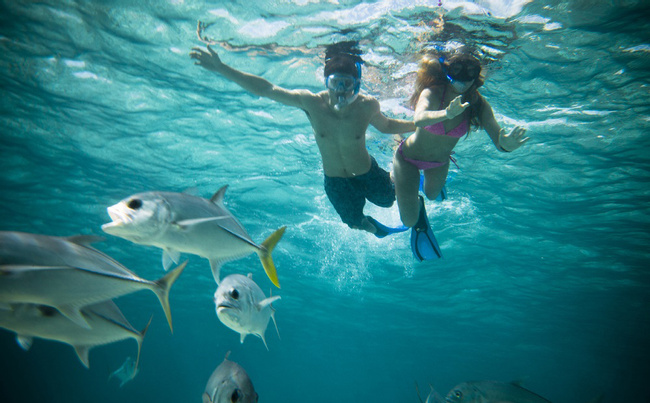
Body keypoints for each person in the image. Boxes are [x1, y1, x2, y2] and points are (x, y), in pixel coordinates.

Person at [190, 40, 416, 237]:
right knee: (355, 223)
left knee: (390, 200)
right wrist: (221, 68)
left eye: (347, 84)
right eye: (334, 82)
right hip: (336, 181)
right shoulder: (311, 102)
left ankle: (398, 175)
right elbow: (266, 89)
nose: (340, 90)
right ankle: (377, 231)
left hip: (367, 173)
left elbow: (387, 125)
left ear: (356, 84)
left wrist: (419, 124)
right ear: (326, 81)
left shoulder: (367, 105)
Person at [392, 47, 529, 261]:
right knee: (409, 220)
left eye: (469, 73)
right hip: (408, 158)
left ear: (476, 77)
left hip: (439, 162)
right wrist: (446, 113)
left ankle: (418, 191)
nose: (463, 78)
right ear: (447, 69)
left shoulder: (477, 104)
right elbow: (419, 118)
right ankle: (414, 206)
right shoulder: (433, 92)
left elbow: (497, 136)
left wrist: (506, 143)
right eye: (458, 69)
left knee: (432, 194)